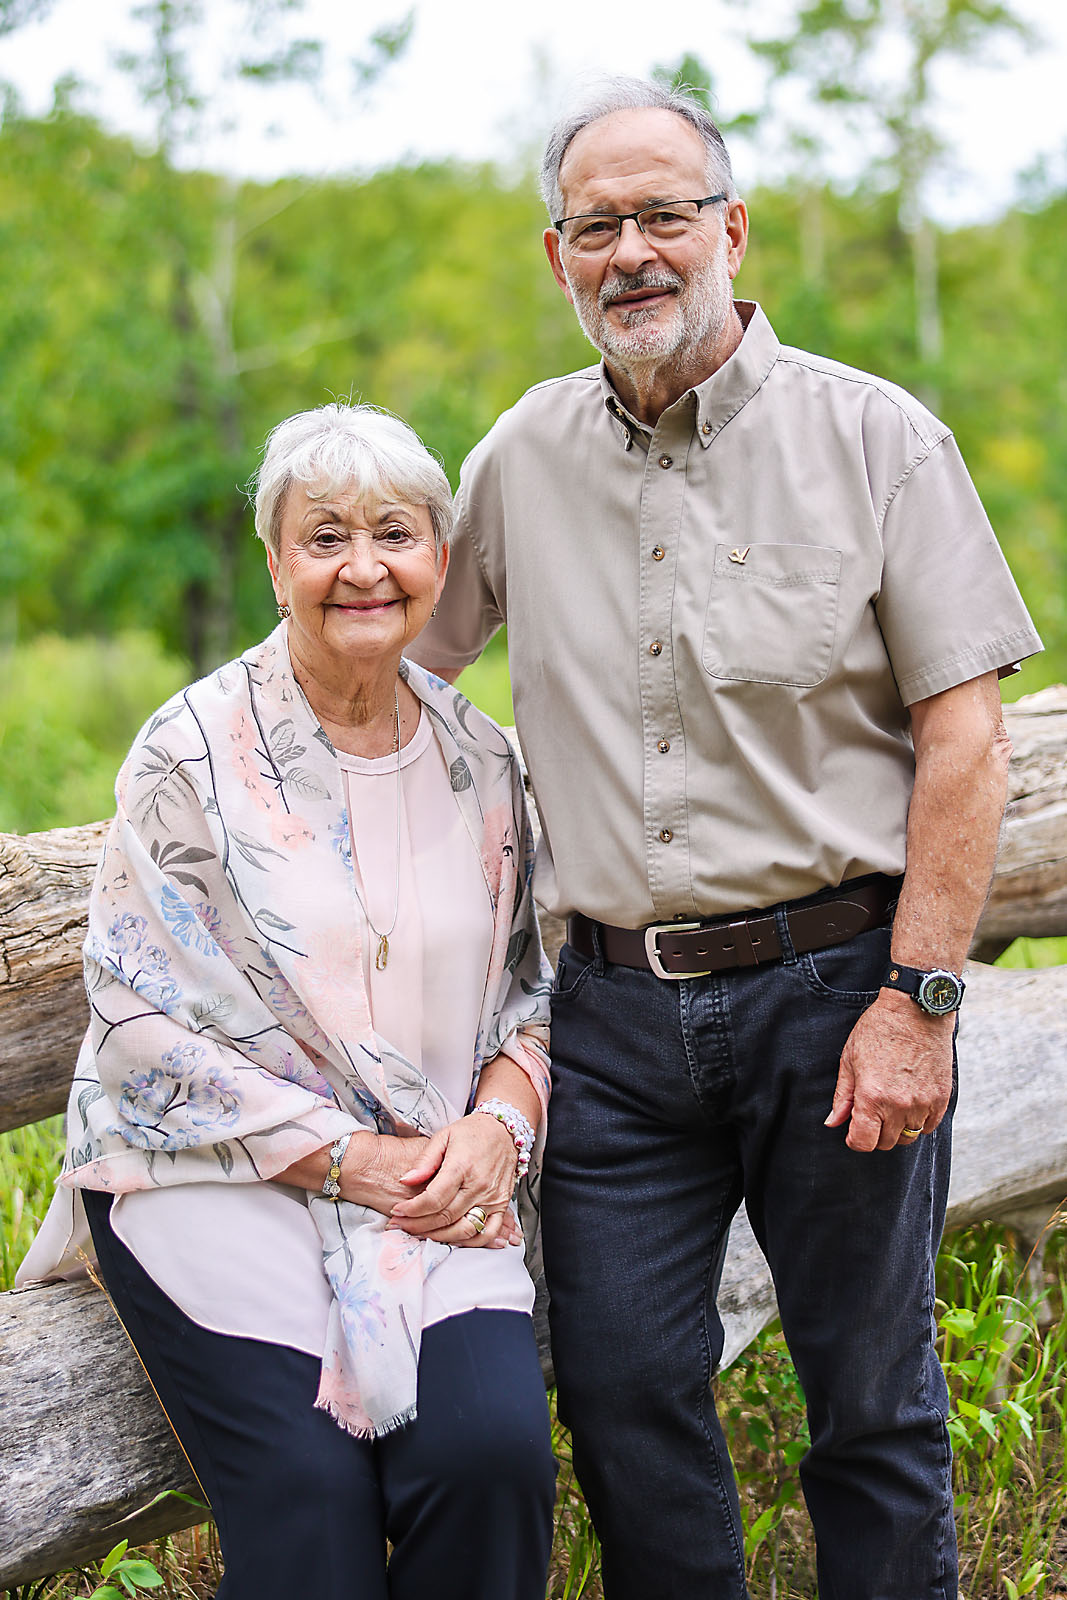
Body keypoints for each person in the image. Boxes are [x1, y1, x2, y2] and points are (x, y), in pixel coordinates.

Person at [409, 76, 1042, 1600]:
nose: (629, 251)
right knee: (620, 1392)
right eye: (594, 225)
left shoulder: (874, 437)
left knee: (870, 1409)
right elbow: (401, 674)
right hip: (612, 1011)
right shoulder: (520, 456)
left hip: (839, 989)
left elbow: (964, 742)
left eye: (661, 216)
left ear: (729, 230)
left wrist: (919, 1000)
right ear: (552, 255)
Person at [17, 403, 558, 1600]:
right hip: (217, 1173)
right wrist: (346, 1156)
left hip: (433, 1180)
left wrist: (496, 1125)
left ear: (439, 557)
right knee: (308, 1503)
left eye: (394, 533)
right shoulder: (188, 754)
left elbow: (532, 990)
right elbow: (142, 1024)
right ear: (274, 563)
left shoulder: (485, 761)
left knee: (493, 1461)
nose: (362, 566)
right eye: (324, 537)